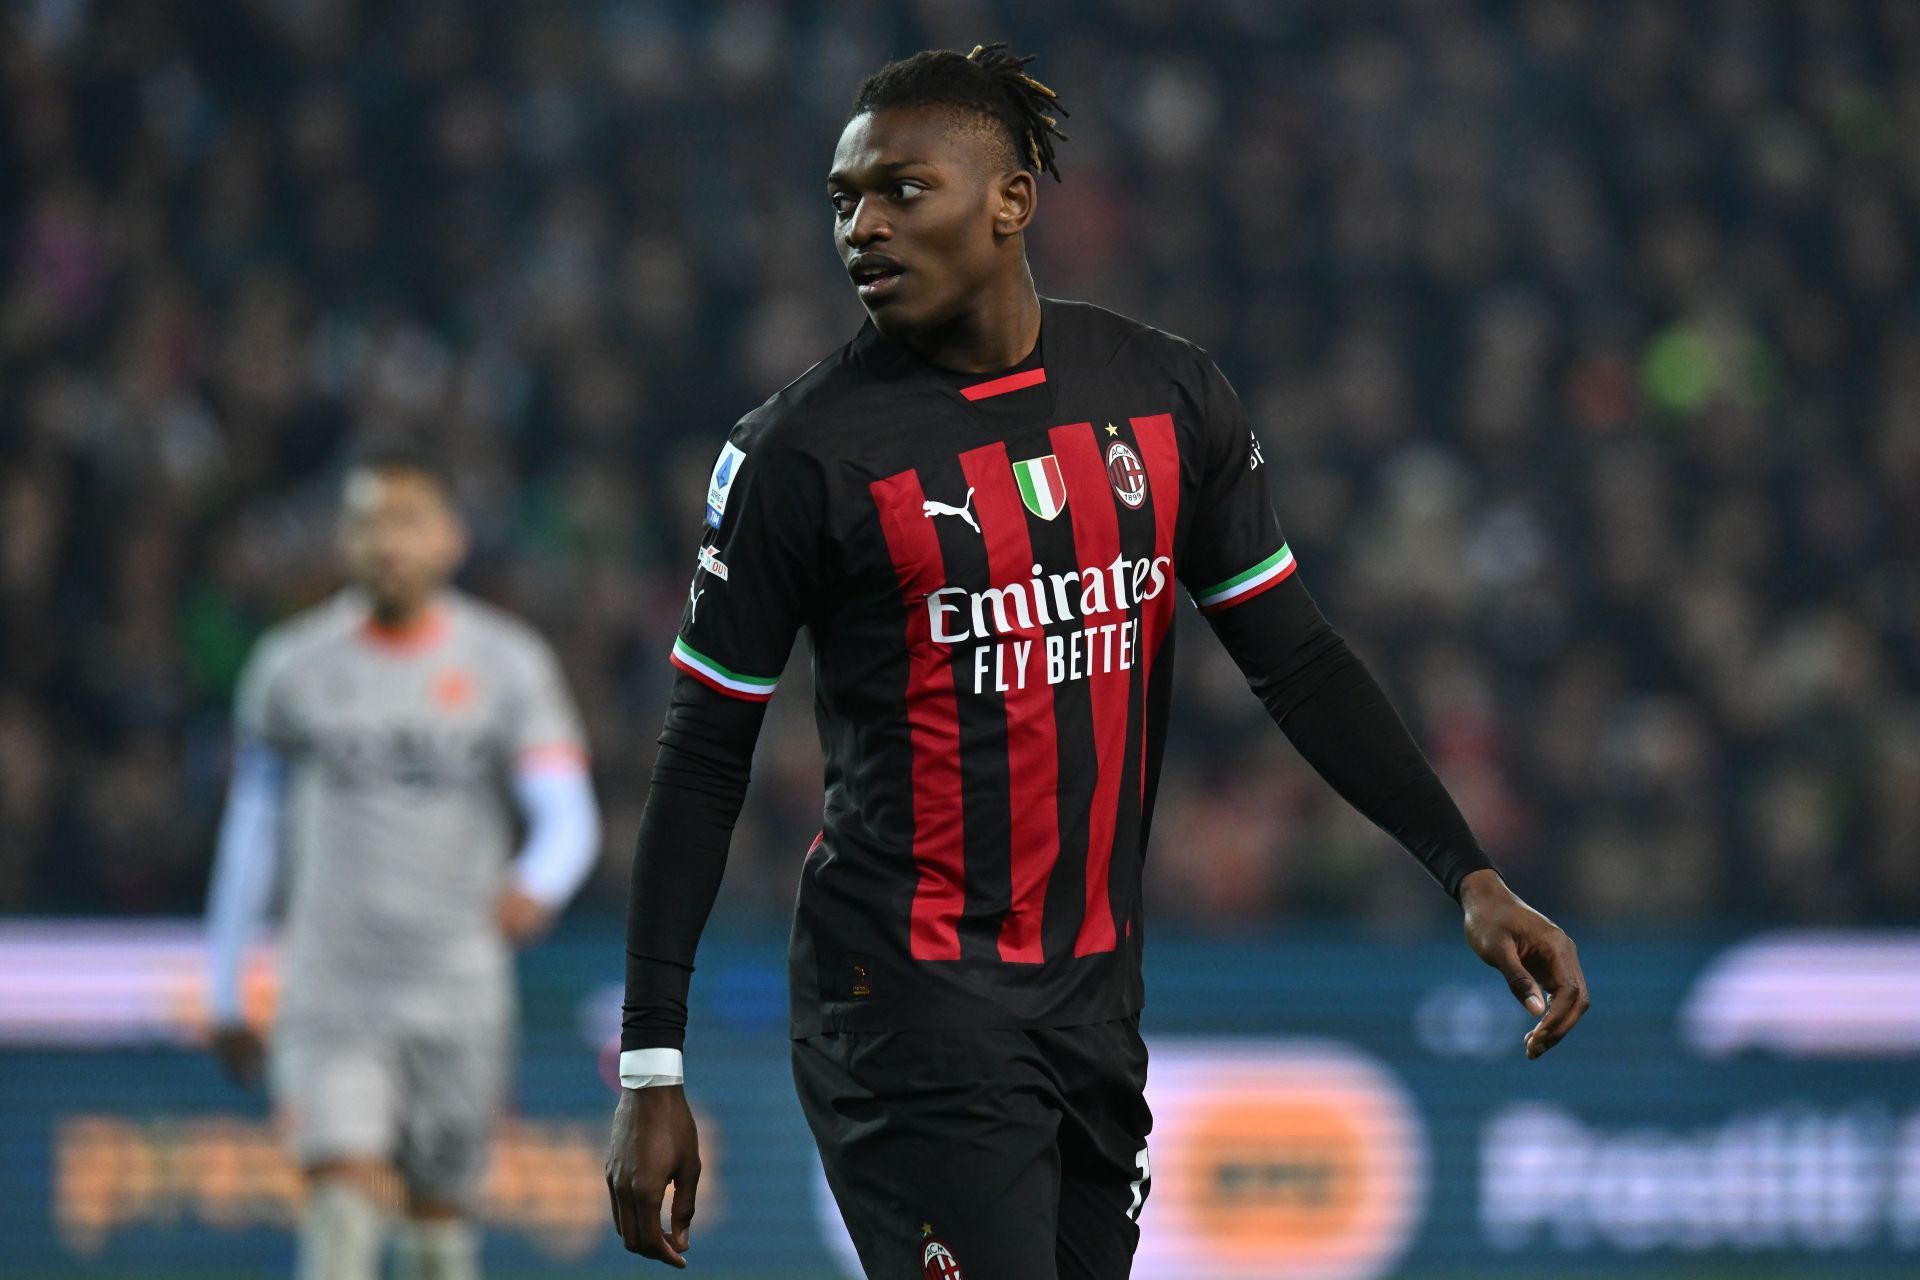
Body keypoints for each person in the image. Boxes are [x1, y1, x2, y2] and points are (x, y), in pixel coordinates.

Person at [605, 43, 1590, 1279]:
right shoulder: (799, 458)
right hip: (903, 1001)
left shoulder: (1164, 395)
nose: (862, 226)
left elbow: (1294, 657)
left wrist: (1469, 872)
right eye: (845, 200)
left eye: (904, 191)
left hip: (1093, 1000)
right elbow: (702, 760)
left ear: (1012, 200)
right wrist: (654, 1062)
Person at [205, 450, 602, 1280]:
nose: (386, 543)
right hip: (331, 985)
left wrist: (539, 881)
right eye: (366, 524)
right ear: (342, 543)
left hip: (456, 987)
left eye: (406, 522)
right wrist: (224, 982)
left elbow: (567, 813)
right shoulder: (292, 668)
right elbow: (253, 828)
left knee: (438, 1233)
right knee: (341, 1206)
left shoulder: (505, 663)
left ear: (450, 539)